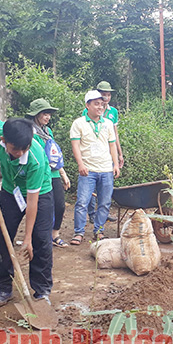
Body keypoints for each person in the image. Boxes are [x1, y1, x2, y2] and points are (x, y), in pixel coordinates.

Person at [0, 116, 54, 308]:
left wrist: (27, 238)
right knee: (3, 237)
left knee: (40, 240)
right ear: (4, 141)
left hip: (39, 193)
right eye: (14, 149)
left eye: (23, 149)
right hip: (11, 192)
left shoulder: (34, 160)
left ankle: (42, 291)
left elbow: (32, 203)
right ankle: (4, 288)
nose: (19, 153)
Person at [70, 90, 121, 245]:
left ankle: (99, 230)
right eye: (96, 104)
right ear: (88, 105)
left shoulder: (107, 123)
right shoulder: (78, 123)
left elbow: (112, 145)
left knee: (105, 202)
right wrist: (80, 164)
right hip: (88, 170)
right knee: (82, 202)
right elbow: (75, 145)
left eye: (102, 104)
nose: (100, 107)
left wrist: (116, 164)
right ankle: (78, 232)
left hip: (106, 169)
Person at [27, 98, 72, 248]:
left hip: (53, 174)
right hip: (40, 175)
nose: (48, 117)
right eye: (44, 114)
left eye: (49, 114)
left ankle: (54, 235)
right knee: (41, 207)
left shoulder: (48, 131)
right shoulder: (30, 132)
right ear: (36, 115)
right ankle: (38, 237)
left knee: (59, 205)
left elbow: (54, 155)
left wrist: (63, 173)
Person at [85, 81, 122, 223]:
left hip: (108, 152)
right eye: (103, 95)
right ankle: (92, 213)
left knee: (105, 184)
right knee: (91, 184)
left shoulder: (113, 112)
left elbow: (115, 133)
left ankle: (103, 214)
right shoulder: (90, 109)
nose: (106, 98)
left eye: (108, 95)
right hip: (93, 153)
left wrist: (119, 153)